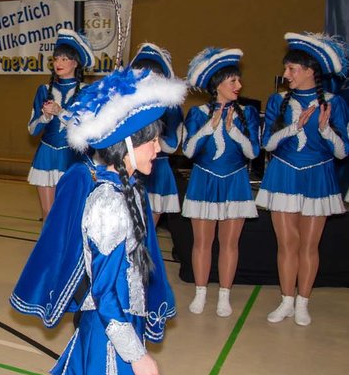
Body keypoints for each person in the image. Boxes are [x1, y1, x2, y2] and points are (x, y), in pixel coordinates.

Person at [9, 66, 184, 375]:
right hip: (111, 326)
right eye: (151, 140)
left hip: (122, 320)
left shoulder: (128, 190)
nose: (158, 148)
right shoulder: (109, 202)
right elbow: (104, 292)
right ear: (126, 144)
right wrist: (136, 353)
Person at [255, 33, 349, 326]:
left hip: (318, 176)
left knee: (310, 245)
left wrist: (324, 130)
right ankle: (286, 300)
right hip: (283, 175)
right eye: (286, 69)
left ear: (310, 71)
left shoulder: (334, 103)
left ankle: (303, 303)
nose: (286, 75)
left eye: (292, 69)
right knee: (287, 243)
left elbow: (343, 152)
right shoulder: (278, 101)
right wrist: (294, 127)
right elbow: (267, 144)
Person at [181, 48, 260, 317]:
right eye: (232, 81)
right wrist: (209, 127)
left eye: (238, 80)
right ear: (217, 85)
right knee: (202, 242)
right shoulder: (197, 113)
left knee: (230, 243)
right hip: (203, 180)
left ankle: (224, 295)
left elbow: (253, 152)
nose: (239, 85)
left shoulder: (248, 113)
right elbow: (188, 151)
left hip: (235, 181)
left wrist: (232, 131)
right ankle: (200, 292)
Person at [27, 30, 94, 218]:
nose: (59, 63)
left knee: (68, 213)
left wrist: (60, 112)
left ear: (76, 63)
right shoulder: (43, 90)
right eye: (56, 58)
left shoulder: (86, 92)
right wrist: (45, 117)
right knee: (48, 213)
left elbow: (86, 130)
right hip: (46, 155)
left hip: (72, 156)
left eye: (65, 59)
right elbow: (32, 129)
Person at [129, 43, 184, 226]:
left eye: (152, 74)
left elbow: (173, 145)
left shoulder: (171, 107)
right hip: (130, 169)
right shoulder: (127, 103)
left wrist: (149, 136)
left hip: (157, 170)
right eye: (142, 72)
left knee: (148, 233)